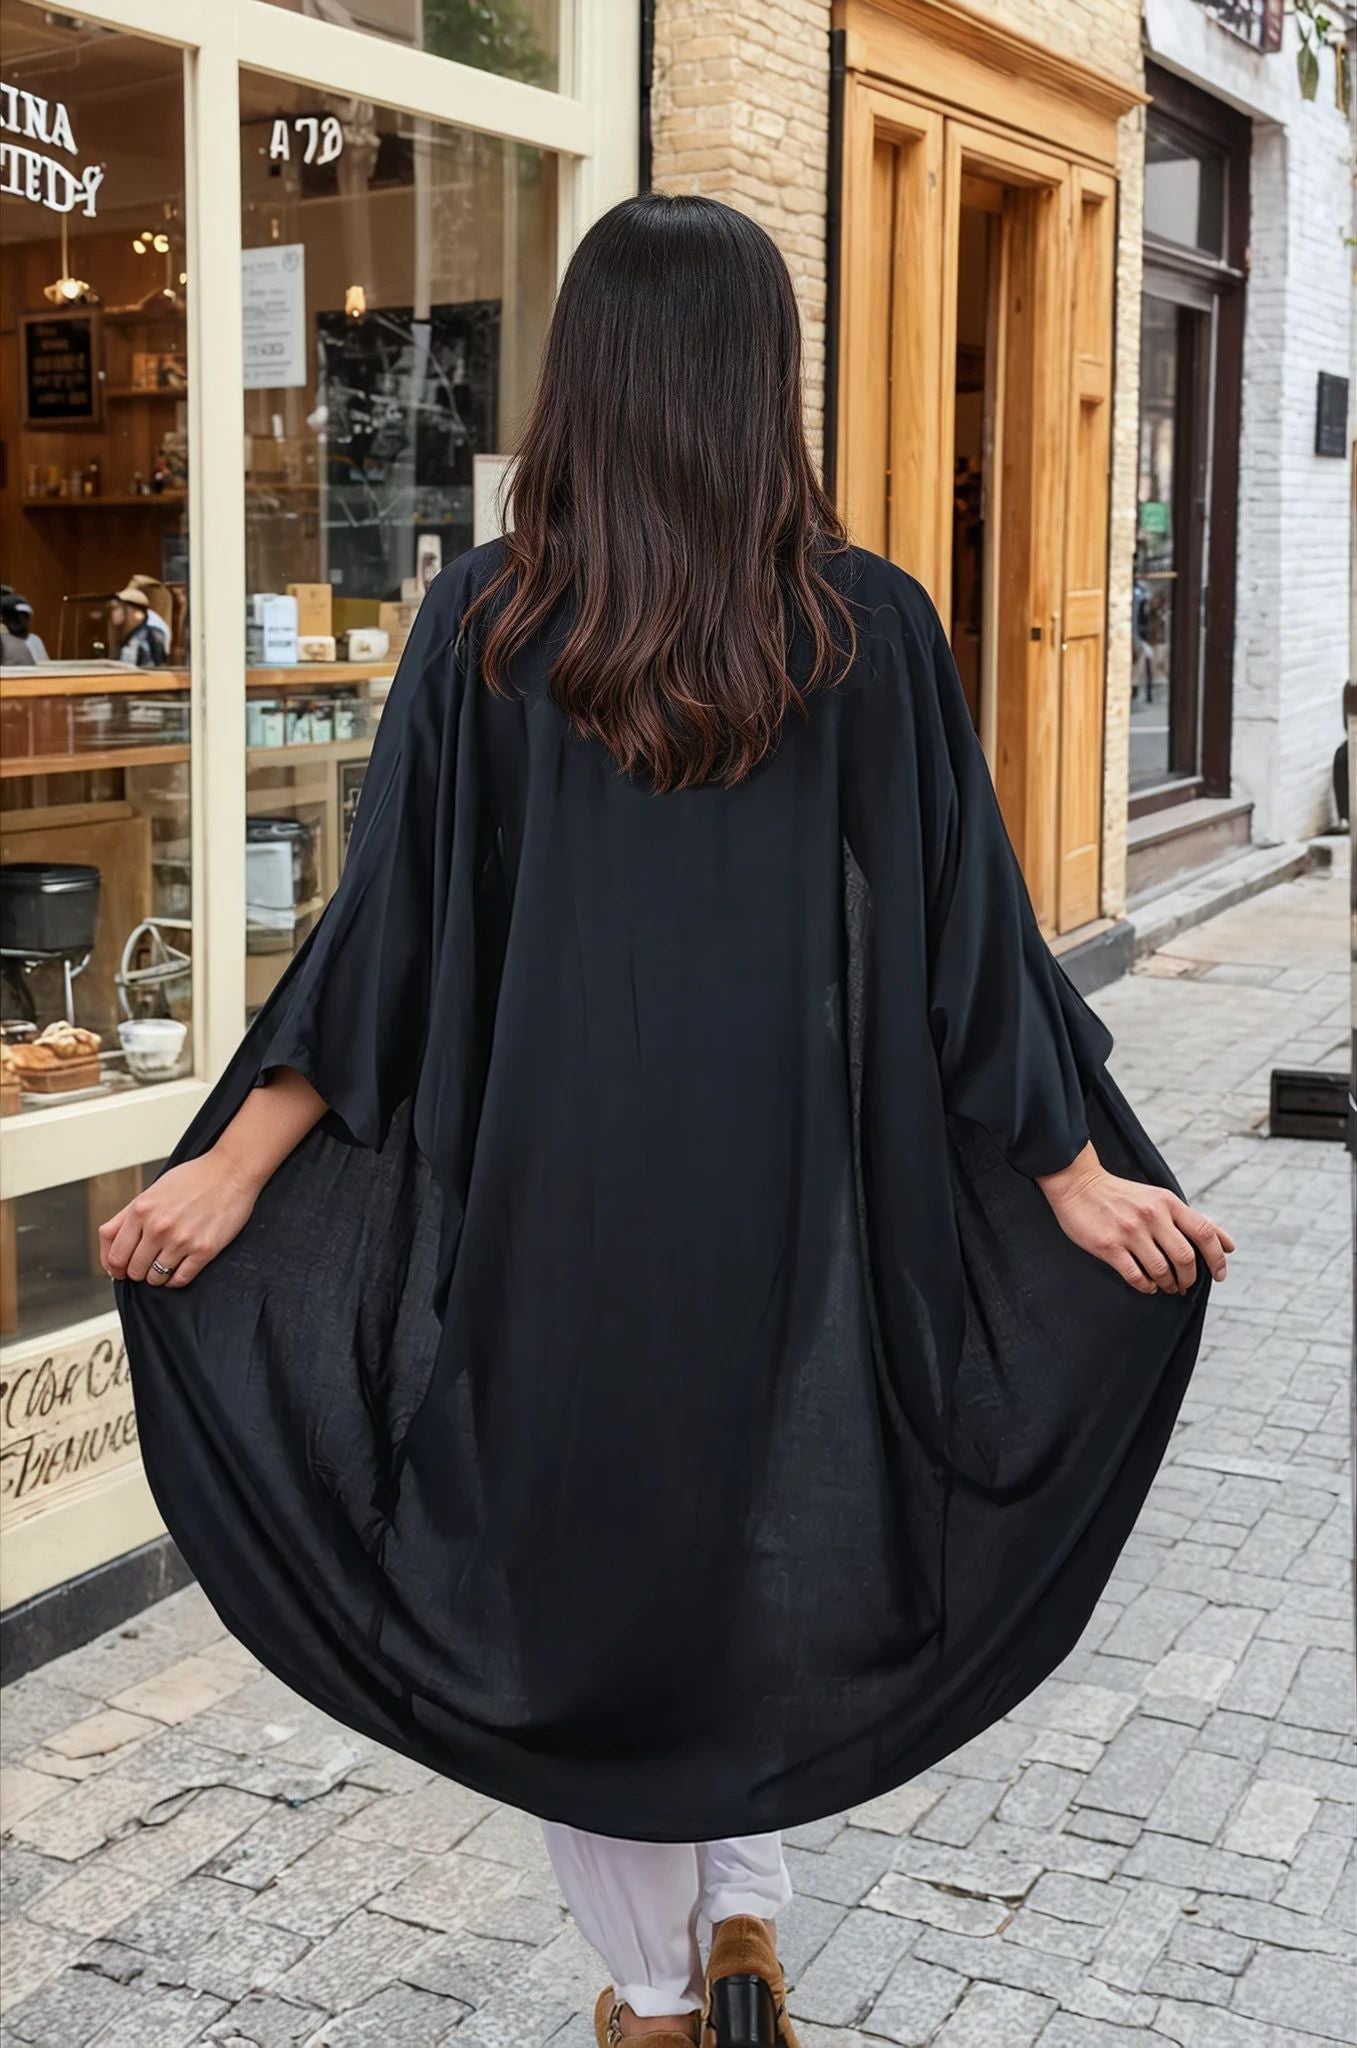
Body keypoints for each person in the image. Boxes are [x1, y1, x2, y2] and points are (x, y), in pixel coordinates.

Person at [105, 196, 1232, 2047]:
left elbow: (386, 934)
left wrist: (229, 1166)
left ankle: (651, 1992)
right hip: (787, 1205)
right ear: (759, 381)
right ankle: (743, 1932)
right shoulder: (866, 624)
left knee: (572, 1607)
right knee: (747, 1541)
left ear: (594, 378)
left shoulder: (490, 618)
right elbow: (969, 951)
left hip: (549, 1218)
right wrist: (1075, 1174)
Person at [111, 583, 170, 667]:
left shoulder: (152, 632)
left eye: (117, 608)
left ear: (134, 611)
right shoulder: (132, 634)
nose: (113, 613)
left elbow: (155, 668)